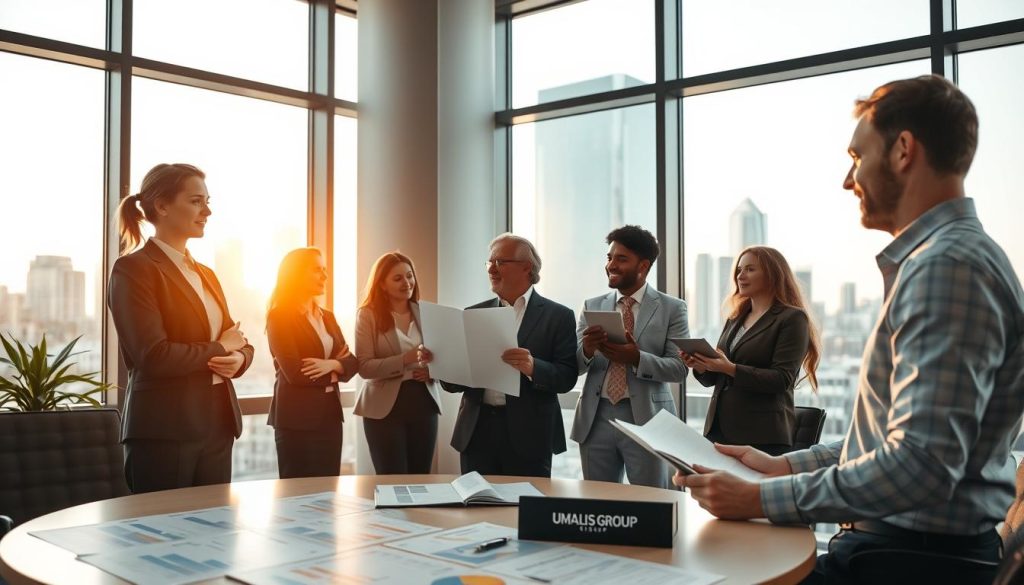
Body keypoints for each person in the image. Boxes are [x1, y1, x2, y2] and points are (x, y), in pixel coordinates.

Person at [673, 75, 1024, 584]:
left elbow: (921, 466)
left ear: (904, 150)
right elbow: (898, 442)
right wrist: (789, 465)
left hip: (908, 563)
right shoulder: (944, 261)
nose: (847, 178)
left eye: (857, 157)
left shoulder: (948, 267)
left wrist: (759, 498)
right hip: (901, 549)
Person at [108, 163, 253, 493]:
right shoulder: (133, 270)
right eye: (196, 201)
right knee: (160, 538)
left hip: (218, 425)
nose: (208, 211)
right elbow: (153, 355)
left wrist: (240, 359)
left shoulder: (206, 273)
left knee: (216, 537)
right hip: (164, 432)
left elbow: (237, 339)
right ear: (161, 206)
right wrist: (219, 349)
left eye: (207, 201)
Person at [441, 234, 578, 478]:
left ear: (527, 267)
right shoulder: (473, 313)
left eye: (500, 262)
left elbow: (567, 377)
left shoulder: (559, 316)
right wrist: (440, 360)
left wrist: (533, 367)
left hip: (530, 436)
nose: (492, 269)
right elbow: (451, 384)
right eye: (489, 263)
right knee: (476, 509)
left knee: (525, 511)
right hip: (477, 432)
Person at [572, 225, 688, 488]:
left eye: (621, 259)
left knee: (650, 502)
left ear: (643, 266)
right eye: (609, 257)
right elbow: (575, 365)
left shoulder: (672, 308)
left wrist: (636, 358)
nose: (611, 265)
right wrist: (588, 350)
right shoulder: (592, 305)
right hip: (595, 418)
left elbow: (679, 369)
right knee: (598, 503)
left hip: (648, 418)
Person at [682, 246, 820, 456]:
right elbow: (715, 379)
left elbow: (781, 380)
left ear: (772, 274)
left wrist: (731, 369)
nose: (740, 276)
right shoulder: (735, 318)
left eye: (750, 269)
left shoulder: (792, 319)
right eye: (739, 270)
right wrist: (702, 366)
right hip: (718, 431)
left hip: (762, 436)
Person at [266, 247, 358, 479]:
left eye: (324, 269)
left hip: (330, 415)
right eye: (317, 270)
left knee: (329, 492)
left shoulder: (327, 316)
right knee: (296, 495)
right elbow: (295, 373)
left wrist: (331, 365)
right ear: (296, 275)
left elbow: (352, 363)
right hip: (296, 419)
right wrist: (338, 364)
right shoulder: (280, 317)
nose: (325, 276)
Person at [354, 252, 442, 474]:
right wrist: (406, 359)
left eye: (409, 276)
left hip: (424, 401)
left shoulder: (427, 312)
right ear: (382, 284)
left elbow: (444, 356)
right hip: (384, 408)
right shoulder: (367, 315)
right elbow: (364, 367)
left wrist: (433, 372)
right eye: (398, 278)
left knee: (421, 479)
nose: (407, 283)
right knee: (391, 479)